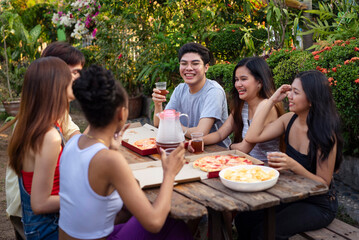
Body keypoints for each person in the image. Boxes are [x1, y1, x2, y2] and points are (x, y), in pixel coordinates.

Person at [59, 65, 193, 240]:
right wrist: (169, 174)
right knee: (171, 220)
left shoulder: (73, 142)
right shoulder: (110, 160)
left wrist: (111, 147)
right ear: (122, 114)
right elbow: (154, 222)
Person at [236, 70, 342, 239]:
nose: (289, 96)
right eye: (290, 90)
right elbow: (252, 136)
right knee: (244, 218)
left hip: (319, 204)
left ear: (312, 100)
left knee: (264, 232)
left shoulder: (324, 134)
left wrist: (293, 166)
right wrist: (271, 100)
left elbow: (323, 184)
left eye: (296, 92)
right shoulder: (289, 119)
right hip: (293, 194)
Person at [4, 41, 85, 240]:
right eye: (71, 75)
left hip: (43, 222)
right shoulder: (49, 135)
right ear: (54, 83)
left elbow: (77, 137)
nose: (77, 80)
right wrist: (80, 197)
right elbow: (39, 204)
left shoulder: (40, 121)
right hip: (47, 226)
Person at [203, 57, 284, 161]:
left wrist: (231, 147)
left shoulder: (266, 106)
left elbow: (244, 148)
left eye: (243, 79)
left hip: (266, 169)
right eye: (236, 80)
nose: (238, 84)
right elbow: (220, 134)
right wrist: (197, 141)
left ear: (259, 82)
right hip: (247, 165)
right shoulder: (242, 105)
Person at [152, 42, 230, 148]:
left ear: (206, 67)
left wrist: (173, 125)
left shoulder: (213, 91)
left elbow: (200, 133)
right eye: (184, 64)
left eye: (195, 63)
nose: (188, 68)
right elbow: (159, 124)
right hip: (185, 145)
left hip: (214, 152)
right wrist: (158, 104)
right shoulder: (180, 89)